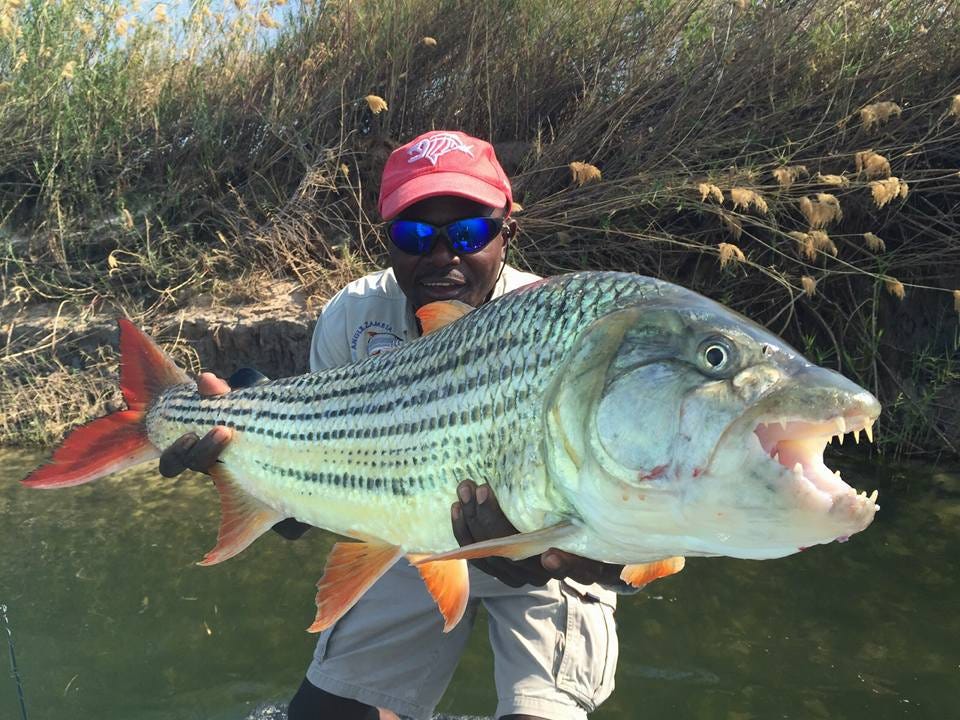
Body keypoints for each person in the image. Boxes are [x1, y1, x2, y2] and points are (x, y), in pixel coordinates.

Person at [159, 130, 626, 720]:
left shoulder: (558, 326)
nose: (442, 255)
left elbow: (632, 522)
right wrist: (248, 465)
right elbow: (324, 493)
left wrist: (590, 561)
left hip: (544, 560)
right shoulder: (353, 315)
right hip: (409, 537)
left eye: (468, 233)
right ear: (387, 241)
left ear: (509, 230)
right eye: (414, 235)